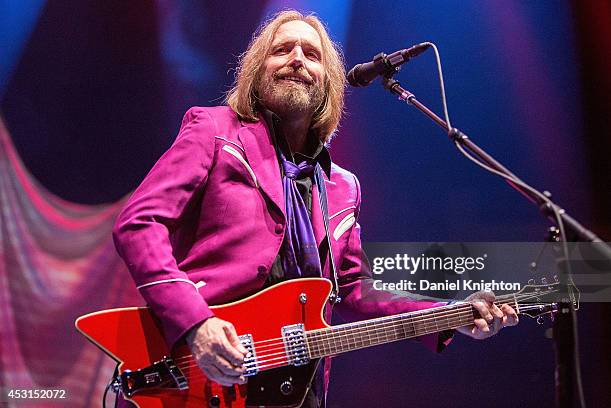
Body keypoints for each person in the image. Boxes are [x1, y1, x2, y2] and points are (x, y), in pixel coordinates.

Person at [112, 9, 518, 407]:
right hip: (201, 373)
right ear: (257, 69)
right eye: (282, 49)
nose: (296, 60)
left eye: (311, 54)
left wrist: (449, 316)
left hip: (298, 388)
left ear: (328, 83)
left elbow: (355, 285)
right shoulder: (215, 131)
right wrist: (195, 324)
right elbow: (139, 223)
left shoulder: (342, 186)